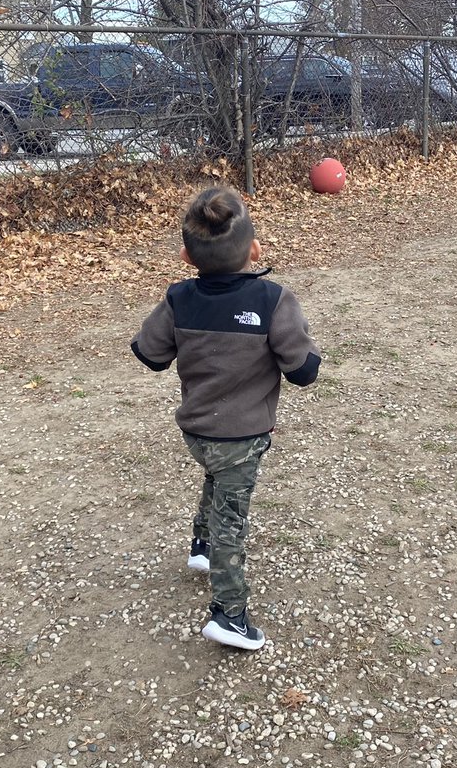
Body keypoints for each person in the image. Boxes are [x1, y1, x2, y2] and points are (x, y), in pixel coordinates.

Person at [131, 186, 321, 651]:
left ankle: (200, 547)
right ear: (254, 250)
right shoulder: (272, 300)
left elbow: (150, 355)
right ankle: (228, 614)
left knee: (216, 479)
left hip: (198, 432)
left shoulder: (178, 298)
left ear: (185, 255)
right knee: (231, 519)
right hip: (242, 435)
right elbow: (303, 371)